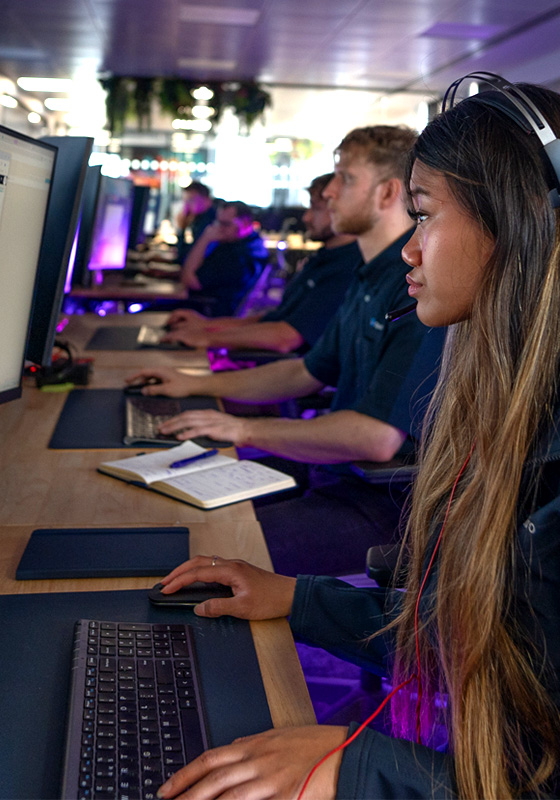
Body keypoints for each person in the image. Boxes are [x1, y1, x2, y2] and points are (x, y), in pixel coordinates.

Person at [152, 77, 560, 800]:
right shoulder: (516, 417)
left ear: (519, 225)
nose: (411, 248)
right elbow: (474, 625)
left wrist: (359, 765)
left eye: (425, 214)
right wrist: (299, 599)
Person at [128, 125, 445, 576]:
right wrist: (195, 383)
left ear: (388, 192)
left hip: (382, 508)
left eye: (345, 179)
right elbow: (304, 372)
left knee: (199, 547)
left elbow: (375, 439)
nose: (329, 193)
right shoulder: (369, 274)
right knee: (168, 504)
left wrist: (243, 430)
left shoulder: (414, 285)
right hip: (331, 475)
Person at [161, 173, 360, 352]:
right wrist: (207, 326)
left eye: (315, 208)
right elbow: (276, 318)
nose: (306, 217)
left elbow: (286, 337)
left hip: (285, 377)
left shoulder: (346, 268)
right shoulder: (323, 258)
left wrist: (208, 336)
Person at [180, 200, 269, 317]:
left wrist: (205, 238)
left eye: (226, 224)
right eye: (218, 223)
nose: (219, 229)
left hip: (206, 313)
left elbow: (189, 280)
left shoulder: (237, 255)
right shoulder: (252, 245)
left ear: (246, 224)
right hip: (208, 309)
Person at [175, 181, 216, 264]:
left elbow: (186, 257)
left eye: (191, 200)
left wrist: (182, 228)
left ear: (206, 200)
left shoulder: (211, 222)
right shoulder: (198, 218)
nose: (187, 205)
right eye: (185, 201)